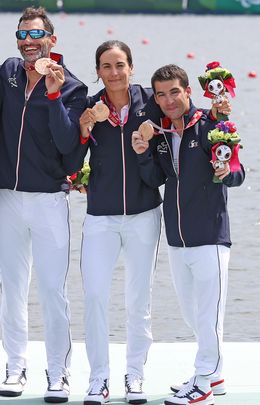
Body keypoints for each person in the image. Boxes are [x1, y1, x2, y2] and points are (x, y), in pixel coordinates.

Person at [0, 6, 87, 403]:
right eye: (23, 35)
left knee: (52, 291)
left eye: (37, 36)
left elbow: (69, 151)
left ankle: (58, 373)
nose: (29, 43)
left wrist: (52, 95)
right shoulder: (5, 74)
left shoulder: (73, 87)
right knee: (12, 289)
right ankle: (15, 367)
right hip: (6, 198)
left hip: (49, 199)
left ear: (52, 39)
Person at [133, 64, 243, 405]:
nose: (168, 100)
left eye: (175, 92)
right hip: (177, 240)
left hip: (210, 237)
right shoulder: (162, 134)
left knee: (209, 316)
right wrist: (140, 153)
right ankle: (216, 373)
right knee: (191, 314)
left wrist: (226, 171)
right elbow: (154, 180)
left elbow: (238, 173)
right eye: (161, 94)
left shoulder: (213, 126)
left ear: (188, 92)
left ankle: (203, 382)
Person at [73, 40, 163, 405]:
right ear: (98, 71)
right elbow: (71, 156)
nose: (114, 72)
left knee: (138, 300)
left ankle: (135, 375)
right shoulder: (89, 106)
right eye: (107, 66)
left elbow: (184, 116)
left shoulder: (151, 104)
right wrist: (82, 127)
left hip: (143, 215)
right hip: (101, 218)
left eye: (121, 65)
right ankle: (98, 379)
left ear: (131, 67)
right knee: (94, 296)